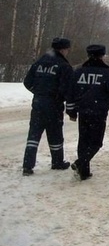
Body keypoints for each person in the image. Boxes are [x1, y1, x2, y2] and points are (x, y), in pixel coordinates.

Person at [66, 44, 109, 180]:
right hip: (99, 112)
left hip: (83, 112)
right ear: (102, 55)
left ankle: (84, 172)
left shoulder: (78, 72)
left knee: (83, 141)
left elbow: (70, 93)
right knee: (96, 142)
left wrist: (71, 111)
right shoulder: (108, 74)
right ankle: (80, 163)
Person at [22, 37, 73, 176]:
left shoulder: (40, 62)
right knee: (55, 133)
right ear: (63, 49)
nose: (68, 52)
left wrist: (38, 92)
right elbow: (68, 88)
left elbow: (27, 82)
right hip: (54, 105)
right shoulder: (63, 65)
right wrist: (62, 99)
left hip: (38, 103)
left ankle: (27, 165)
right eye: (67, 49)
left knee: (33, 135)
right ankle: (57, 162)